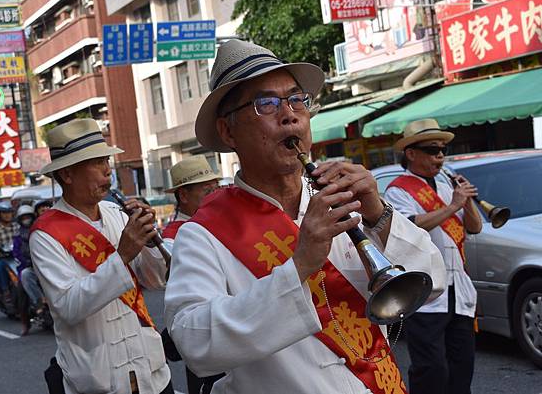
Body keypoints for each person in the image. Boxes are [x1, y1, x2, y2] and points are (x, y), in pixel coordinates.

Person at [164, 39, 446, 394]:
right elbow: (195, 342)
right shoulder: (203, 234)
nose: (289, 113)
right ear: (227, 131)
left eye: (297, 99)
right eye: (266, 103)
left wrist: (377, 212)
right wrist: (298, 267)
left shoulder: (340, 198)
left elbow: (432, 282)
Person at [29, 118, 172, 394]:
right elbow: (69, 307)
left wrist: (151, 240)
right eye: (96, 163)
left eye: (106, 160)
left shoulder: (117, 214)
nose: (107, 171)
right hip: (96, 380)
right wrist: (122, 256)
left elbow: (155, 280)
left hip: (151, 373)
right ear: (67, 175)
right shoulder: (45, 235)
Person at [384, 119, 482, 394]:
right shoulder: (398, 189)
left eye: (442, 151)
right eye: (431, 150)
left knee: (462, 366)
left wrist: (467, 201)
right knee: (431, 369)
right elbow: (413, 225)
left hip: (459, 290)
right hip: (426, 292)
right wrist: (453, 205)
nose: (439, 156)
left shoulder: (448, 186)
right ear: (411, 154)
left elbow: (473, 227)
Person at [162, 155, 221, 394]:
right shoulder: (171, 238)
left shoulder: (221, 222)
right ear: (183, 196)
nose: (214, 195)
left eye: (216, 188)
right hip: (206, 328)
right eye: (207, 191)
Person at [13, 204, 44, 335]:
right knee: (22, 290)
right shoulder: (18, 236)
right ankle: (28, 320)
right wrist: (27, 262)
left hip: (45, 267)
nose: (26, 219)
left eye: (28, 217)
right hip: (28, 268)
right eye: (23, 217)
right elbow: (16, 254)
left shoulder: (40, 230)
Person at [0, 201, 20, 309]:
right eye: (4, 212)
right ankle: (5, 291)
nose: (7, 215)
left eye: (9, 212)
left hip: (20, 257)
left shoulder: (18, 226)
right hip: (6, 258)